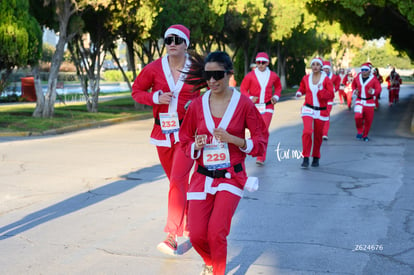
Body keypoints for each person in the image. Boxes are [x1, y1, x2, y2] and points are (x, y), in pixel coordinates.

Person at [179, 51, 268, 275]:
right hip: (201, 176)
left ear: (229, 74)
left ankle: (217, 271)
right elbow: (184, 138)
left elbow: (260, 141)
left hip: (232, 176)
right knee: (198, 234)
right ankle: (210, 262)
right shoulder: (198, 105)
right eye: (207, 75)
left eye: (217, 75)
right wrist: (195, 145)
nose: (211, 81)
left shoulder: (244, 105)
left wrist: (235, 140)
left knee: (216, 231)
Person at [131, 24, 200, 255]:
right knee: (177, 182)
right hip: (163, 134)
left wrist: (196, 105)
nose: (171, 43)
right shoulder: (154, 68)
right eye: (168, 39)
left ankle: (172, 236)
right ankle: (192, 226)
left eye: (177, 40)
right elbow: (136, 91)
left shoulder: (196, 68)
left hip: (187, 135)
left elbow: (213, 91)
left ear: (185, 44)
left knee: (177, 180)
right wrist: (155, 97)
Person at [240, 52, 282, 165]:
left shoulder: (273, 75)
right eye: (258, 62)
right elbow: (243, 89)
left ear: (267, 63)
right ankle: (249, 148)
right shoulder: (250, 76)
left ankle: (260, 157)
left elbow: (278, 87)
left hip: (268, 106)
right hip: (254, 107)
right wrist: (249, 97)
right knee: (255, 130)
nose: (261, 65)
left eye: (263, 62)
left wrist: (276, 96)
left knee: (263, 130)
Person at [295, 57, 334, 168]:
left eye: (318, 64)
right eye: (313, 64)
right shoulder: (306, 78)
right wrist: (299, 92)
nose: (315, 66)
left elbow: (331, 95)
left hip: (321, 111)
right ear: (311, 66)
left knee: (318, 136)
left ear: (321, 66)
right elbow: (302, 88)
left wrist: (322, 91)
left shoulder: (326, 79)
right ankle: (305, 157)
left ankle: (316, 156)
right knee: (307, 131)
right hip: (308, 108)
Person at [352, 63, 382, 141]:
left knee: (368, 120)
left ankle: (365, 135)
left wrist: (373, 91)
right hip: (359, 100)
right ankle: (360, 131)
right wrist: (355, 90)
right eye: (362, 70)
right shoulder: (357, 77)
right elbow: (353, 85)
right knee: (357, 117)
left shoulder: (374, 79)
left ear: (369, 71)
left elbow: (379, 89)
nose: (364, 71)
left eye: (365, 70)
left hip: (369, 102)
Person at [321, 61, 340, 140]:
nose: (326, 70)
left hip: (329, 99)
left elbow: (338, 84)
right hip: (320, 100)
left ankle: (325, 133)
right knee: (319, 116)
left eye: (327, 69)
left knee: (326, 116)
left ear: (329, 69)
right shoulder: (318, 76)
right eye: (324, 68)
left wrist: (334, 90)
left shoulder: (334, 77)